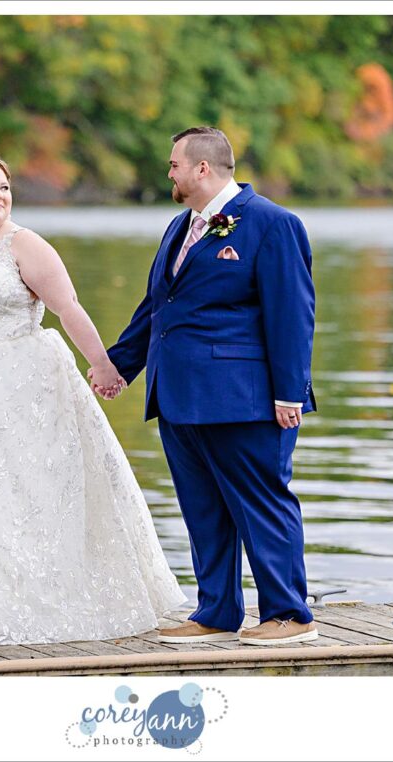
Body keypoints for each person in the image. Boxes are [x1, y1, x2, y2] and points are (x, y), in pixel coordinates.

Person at [0, 152, 185, 645]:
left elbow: (68, 310)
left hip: (19, 382)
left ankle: (27, 599)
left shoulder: (26, 246)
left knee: (16, 490)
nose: (0, 195)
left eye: (4, 186)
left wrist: (105, 366)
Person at [99, 127, 318, 645]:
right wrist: (118, 367)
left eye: (174, 164)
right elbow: (158, 308)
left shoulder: (272, 224)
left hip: (246, 399)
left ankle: (289, 615)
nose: (168, 173)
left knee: (262, 503)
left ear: (202, 168)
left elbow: (293, 313)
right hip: (178, 395)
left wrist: (290, 392)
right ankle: (217, 612)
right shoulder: (181, 227)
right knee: (203, 508)